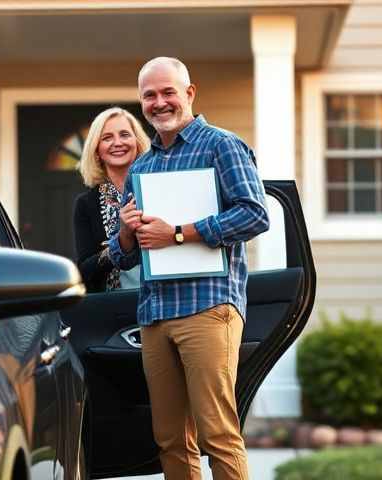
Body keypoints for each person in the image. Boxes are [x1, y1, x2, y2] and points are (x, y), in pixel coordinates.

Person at [107, 57, 269, 480]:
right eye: (149, 95)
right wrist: (126, 233)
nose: (159, 103)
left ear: (189, 93)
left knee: (217, 434)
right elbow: (125, 256)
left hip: (208, 306)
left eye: (168, 92)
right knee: (170, 440)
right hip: (156, 314)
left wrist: (178, 233)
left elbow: (255, 215)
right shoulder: (142, 166)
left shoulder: (222, 145)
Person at [72, 107, 151, 292]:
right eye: (107, 138)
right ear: (97, 150)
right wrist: (122, 241)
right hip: (114, 308)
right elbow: (84, 271)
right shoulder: (86, 204)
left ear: (137, 143)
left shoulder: (158, 188)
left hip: (163, 301)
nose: (117, 143)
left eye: (124, 134)